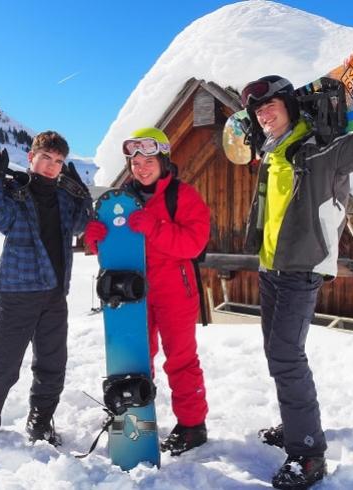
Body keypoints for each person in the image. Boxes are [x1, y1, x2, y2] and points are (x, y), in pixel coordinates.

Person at [240, 74, 353, 488]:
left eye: (271, 104)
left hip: (301, 269)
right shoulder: (273, 153)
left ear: (289, 104)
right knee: (277, 354)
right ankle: (295, 427)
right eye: (258, 109)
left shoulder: (321, 150)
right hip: (271, 267)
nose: (264, 113)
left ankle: (308, 453)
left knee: (288, 357)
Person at [0, 131, 92, 462]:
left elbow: (81, 223)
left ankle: (40, 423)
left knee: (52, 366)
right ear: (31, 156)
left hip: (54, 295)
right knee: (1, 367)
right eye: (46, 158)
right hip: (18, 292)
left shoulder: (64, 198)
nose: (51, 167)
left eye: (58, 162)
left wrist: (80, 190)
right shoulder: (15, 191)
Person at [84, 127, 210, 456]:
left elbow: (194, 243)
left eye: (148, 160)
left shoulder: (182, 196)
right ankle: (137, 424)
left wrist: (155, 227)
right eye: (135, 162)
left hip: (174, 289)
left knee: (180, 360)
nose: (141, 167)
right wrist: (97, 239)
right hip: (133, 290)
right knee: (136, 359)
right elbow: (115, 250)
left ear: (163, 159)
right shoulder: (121, 200)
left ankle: (192, 425)